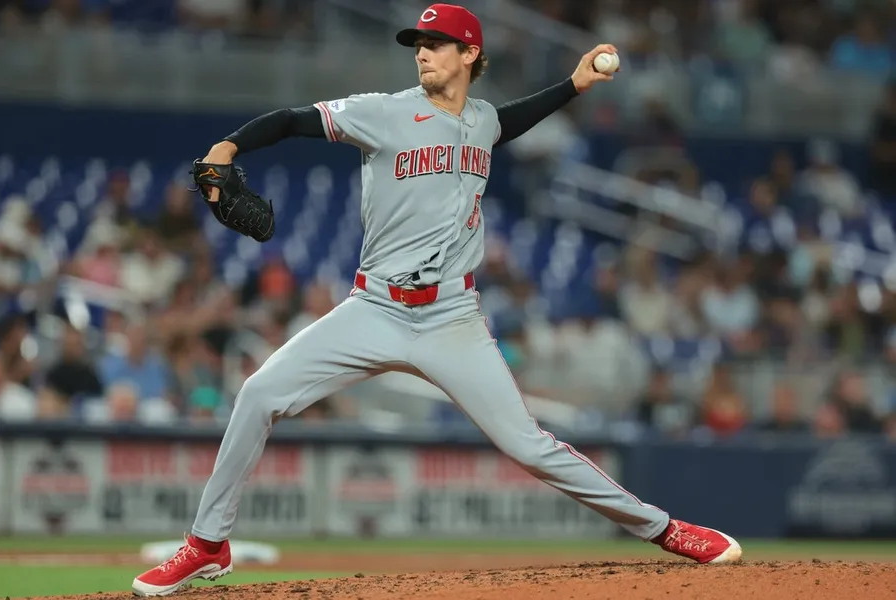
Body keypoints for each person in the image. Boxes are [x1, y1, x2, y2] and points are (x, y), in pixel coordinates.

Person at [133, 4, 742, 596]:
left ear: (469, 53)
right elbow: (294, 119)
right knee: (259, 393)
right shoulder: (383, 112)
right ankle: (207, 544)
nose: (422, 53)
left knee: (529, 445)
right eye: (418, 45)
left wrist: (573, 86)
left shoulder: (482, 120)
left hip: (452, 316)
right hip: (374, 308)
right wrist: (229, 147)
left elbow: (507, 122)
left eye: (435, 44)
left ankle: (665, 529)